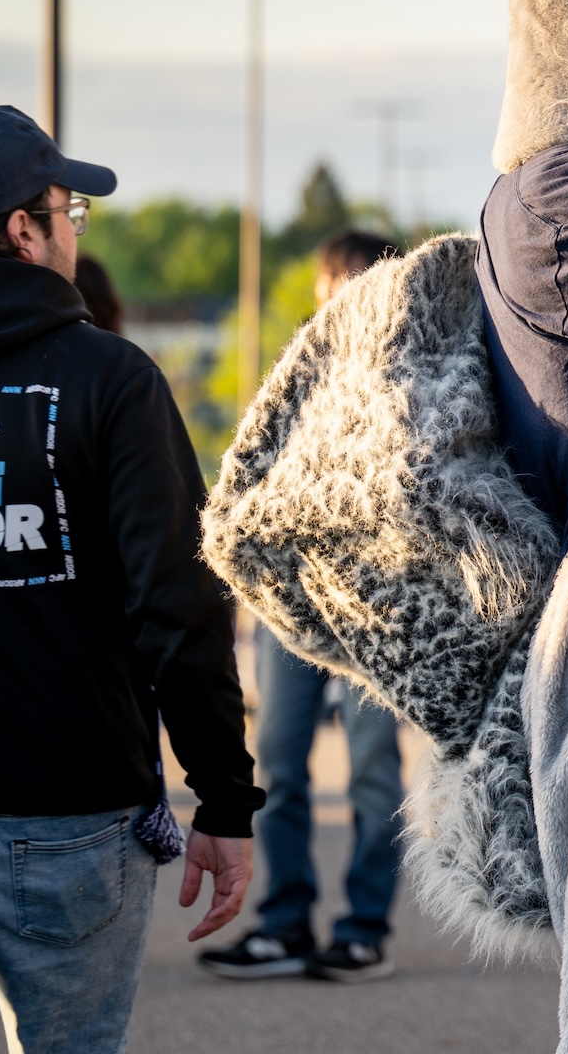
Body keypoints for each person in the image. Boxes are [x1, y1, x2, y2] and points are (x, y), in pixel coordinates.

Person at [0, 105, 260, 1052]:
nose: (70, 231)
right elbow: (177, 604)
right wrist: (221, 795)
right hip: (70, 819)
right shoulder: (109, 381)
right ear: (24, 230)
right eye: (67, 211)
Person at [200, 228, 404, 984]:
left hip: (376, 612)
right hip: (291, 609)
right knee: (279, 766)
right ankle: (283, 924)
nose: (335, 302)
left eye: (352, 285)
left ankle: (363, 927)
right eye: (328, 288)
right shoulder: (294, 382)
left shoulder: (412, 378)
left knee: (373, 778)